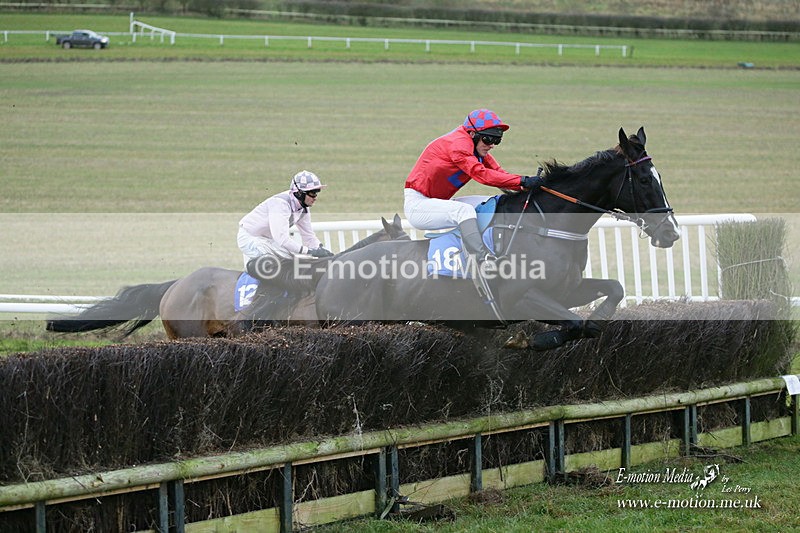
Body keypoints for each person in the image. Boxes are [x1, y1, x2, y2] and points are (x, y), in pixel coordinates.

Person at [404, 109, 545, 264]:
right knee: (464, 211)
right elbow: (482, 175)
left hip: (437, 203)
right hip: (418, 206)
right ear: (473, 134)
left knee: (492, 203)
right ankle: (481, 259)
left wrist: (525, 186)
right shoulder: (459, 146)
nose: (491, 145)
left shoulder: (473, 146)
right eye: (488, 139)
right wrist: (522, 181)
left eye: (496, 140)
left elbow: (498, 173)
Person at [237, 170, 334, 269]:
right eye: (313, 193)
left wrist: (321, 249)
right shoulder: (280, 204)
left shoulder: (303, 208)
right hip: (249, 238)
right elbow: (282, 239)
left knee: (292, 262)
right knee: (283, 265)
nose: (315, 197)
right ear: (299, 193)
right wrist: (309, 252)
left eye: (317, 193)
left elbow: (308, 236)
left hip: (268, 240)